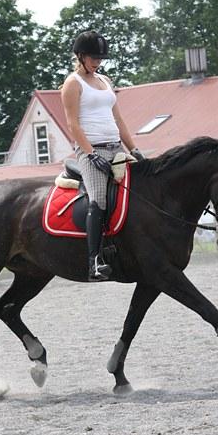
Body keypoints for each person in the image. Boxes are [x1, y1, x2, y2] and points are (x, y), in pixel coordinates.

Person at [61, 31, 145, 281]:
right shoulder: (72, 84)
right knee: (98, 198)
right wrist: (89, 153)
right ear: (81, 56)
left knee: (141, 188)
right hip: (91, 150)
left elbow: (118, 119)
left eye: (100, 57)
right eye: (93, 57)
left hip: (116, 147)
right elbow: (73, 124)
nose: (97, 62)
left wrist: (134, 150)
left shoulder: (105, 81)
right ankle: (94, 262)